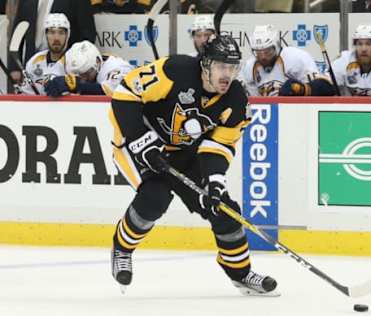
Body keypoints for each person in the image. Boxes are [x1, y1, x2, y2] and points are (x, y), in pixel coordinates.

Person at [109, 34, 279, 296]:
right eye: (222, 67)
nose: (227, 75)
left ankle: (241, 273)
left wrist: (215, 182)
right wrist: (140, 139)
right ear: (206, 64)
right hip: (137, 141)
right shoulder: (175, 70)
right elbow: (125, 92)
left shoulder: (236, 99)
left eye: (232, 68)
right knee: (155, 197)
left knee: (224, 209)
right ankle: (122, 248)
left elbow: (219, 146)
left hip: (184, 152)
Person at [239, 24, 334, 96]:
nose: (263, 57)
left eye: (267, 51)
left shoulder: (295, 57)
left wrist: (301, 89)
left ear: (276, 46)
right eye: (258, 52)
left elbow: (327, 88)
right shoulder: (250, 67)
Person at [45, 40, 133, 96]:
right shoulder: (70, 65)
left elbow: (111, 93)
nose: (83, 79)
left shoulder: (118, 67)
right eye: (79, 75)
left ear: (98, 62)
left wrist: (76, 85)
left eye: (86, 74)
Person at [19, 13, 69, 95]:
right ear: (46, 35)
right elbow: (26, 94)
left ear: (67, 35)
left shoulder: (73, 61)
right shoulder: (34, 61)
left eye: (61, 33)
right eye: (52, 32)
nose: (56, 38)